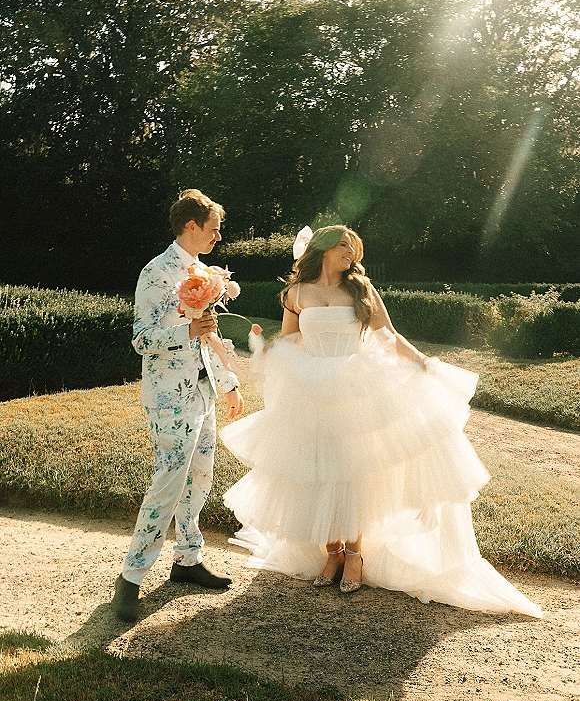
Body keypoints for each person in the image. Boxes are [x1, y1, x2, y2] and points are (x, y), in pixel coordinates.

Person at [219, 225, 542, 617]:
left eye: (353, 247)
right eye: (342, 246)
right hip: (311, 391)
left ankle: (355, 555)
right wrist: (263, 346)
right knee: (318, 471)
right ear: (322, 249)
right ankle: (332, 552)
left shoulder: (360, 289)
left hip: (356, 389)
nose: (349, 253)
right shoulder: (296, 294)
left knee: (351, 471)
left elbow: (387, 333)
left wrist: (421, 361)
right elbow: (290, 340)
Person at [111, 189, 244, 623]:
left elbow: (207, 335)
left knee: (200, 477)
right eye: (212, 229)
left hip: (202, 392)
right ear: (191, 226)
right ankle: (130, 578)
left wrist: (227, 384)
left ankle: (187, 560)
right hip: (169, 396)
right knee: (169, 481)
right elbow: (141, 340)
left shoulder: (201, 272)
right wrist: (184, 332)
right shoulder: (156, 273)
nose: (218, 236)